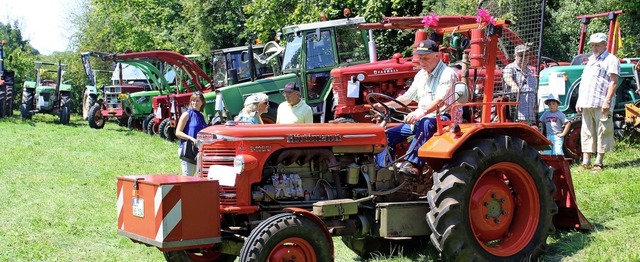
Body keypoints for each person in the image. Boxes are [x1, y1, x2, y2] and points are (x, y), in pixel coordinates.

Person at [373, 39, 459, 174]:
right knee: (385, 136)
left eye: (426, 58)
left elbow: (441, 100)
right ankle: (384, 171)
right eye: (420, 58)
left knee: (426, 122)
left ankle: (412, 165)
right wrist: (386, 106)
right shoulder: (421, 75)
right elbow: (407, 98)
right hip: (422, 118)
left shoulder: (448, 74)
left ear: (438, 55)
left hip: (443, 118)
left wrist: (420, 113)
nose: (422, 62)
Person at [575, 33, 620, 172]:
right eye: (593, 45)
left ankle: (599, 162)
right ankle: (586, 162)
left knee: (603, 130)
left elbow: (613, 82)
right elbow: (585, 82)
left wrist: (607, 101)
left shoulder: (611, 60)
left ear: (605, 44)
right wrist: (579, 100)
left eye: (597, 45)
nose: (594, 47)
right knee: (586, 131)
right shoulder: (590, 60)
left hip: (601, 102)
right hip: (587, 101)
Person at [503, 44, 538, 124]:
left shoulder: (531, 72)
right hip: (515, 116)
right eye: (521, 55)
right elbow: (507, 77)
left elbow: (533, 94)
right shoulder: (510, 68)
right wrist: (514, 85)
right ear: (515, 56)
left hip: (530, 116)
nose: (524, 58)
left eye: (526, 55)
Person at [175, 92, 207, 176]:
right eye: (193, 101)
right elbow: (178, 132)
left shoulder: (202, 116)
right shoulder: (186, 114)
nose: (194, 103)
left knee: (201, 176)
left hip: (199, 150)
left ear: (202, 102)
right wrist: (191, 138)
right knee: (188, 176)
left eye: (197, 101)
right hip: (187, 149)